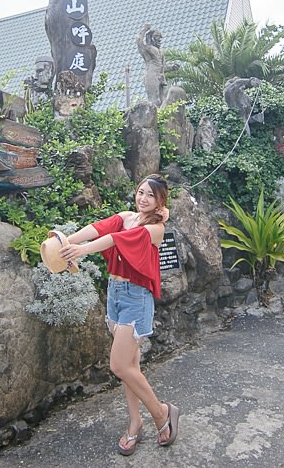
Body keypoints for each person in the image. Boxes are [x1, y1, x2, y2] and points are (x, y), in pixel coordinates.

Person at [58, 174, 180, 455]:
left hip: (136, 298)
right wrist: (66, 242)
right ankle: (135, 422)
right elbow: (98, 227)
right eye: (140, 192)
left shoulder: (156, 229)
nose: (143, 198)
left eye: (150, 195)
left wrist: (81, 251)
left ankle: (162, 413)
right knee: (130, 367)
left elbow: (115, 240)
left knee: (120, 366)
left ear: (160, 200)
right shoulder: (127, 216)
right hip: (115, 294)